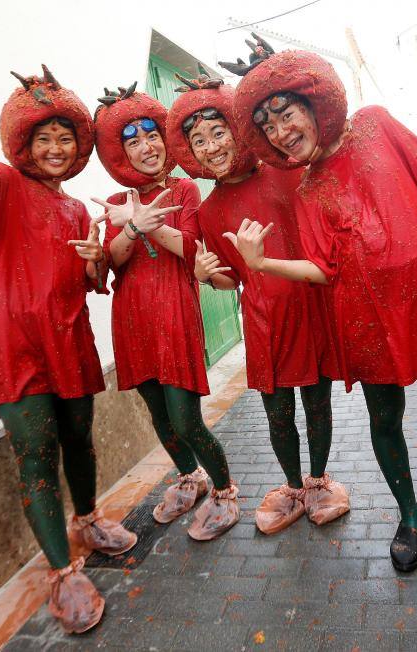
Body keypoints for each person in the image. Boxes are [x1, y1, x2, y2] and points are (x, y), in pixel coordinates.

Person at [224, 39, 417, 571]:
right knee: (385, 423)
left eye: (287, 115)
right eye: (268, 127)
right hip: (367, 322)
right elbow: (321, 268)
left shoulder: (376, 123)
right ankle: (409, 515)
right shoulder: (307, 190)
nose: (281, 132)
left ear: (314, 104)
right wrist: (260, 263)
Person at [0, 66, 136, 634]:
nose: (55, 148)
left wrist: (99, 255)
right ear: (22, 144)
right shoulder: (4, 184)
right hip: (14, 344)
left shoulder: (76, 211)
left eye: (65, 138)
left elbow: (91, 277)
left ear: (78, 148)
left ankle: (88, 521)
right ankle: (63, 572)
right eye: (42, 139)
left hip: (70, 339)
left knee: (79, 440)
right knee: (36, 456)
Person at [165, 72, 348, 535]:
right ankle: (291, 484)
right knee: (277, 412)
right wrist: (208, 276)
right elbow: (232, 279)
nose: (210, 146)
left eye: (218, 132)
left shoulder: (289, 171)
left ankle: (319, 479)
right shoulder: (208, 211)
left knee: (318, 404)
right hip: (263, 321)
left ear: (237, 129)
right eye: (199, 140)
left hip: (311, 308)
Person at [85, 84, 239, 541]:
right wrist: (125, 230)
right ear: (120, 152)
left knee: (187, 417)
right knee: (158, 415)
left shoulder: (184, 189)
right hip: (132, 318)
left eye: (151, 135)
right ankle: (188, 477)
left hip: (174, 310)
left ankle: (226, 491)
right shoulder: (115, 204)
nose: (146, 146)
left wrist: (144, 225)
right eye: (132, 140)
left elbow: (192, 249)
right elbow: (110, 265)